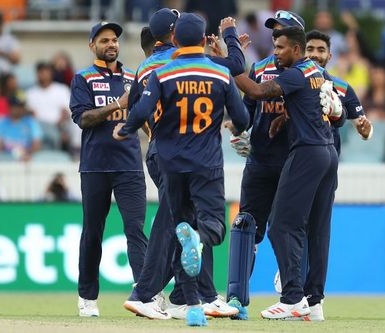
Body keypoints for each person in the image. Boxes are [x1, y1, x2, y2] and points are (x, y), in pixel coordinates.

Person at [114, 13, 249, 327]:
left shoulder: (152, 69)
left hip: (166, 152)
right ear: (175, 36)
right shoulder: (208, 69)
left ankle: (185, 297)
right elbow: (236, 72)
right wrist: (229, 37)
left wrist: (131, 129)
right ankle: (153, 294)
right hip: (202, 157)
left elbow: (138, 106)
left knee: (179, 222)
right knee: (186, 224)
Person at [234, 26, 338, 320]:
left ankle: (292, 297)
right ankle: (313, 303)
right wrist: (285, 116)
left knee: (280, 225)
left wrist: (230, 60)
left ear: (296, 49)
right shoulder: (315, 73)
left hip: (307, 151)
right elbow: (317, 106)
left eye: (279, 47)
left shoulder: (294, 73)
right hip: (327, 151)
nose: (275, 52)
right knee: (317, 230)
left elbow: (255, 90)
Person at [69, 22, 148, 318]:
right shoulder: (83, 78)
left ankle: (145, 293)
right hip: (95, 166)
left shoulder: (133, 77)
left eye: (114, 40)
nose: (112, 44)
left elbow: (145, 117)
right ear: (93, 45)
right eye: (104, 40)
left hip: (129, 165)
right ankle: (87, 297)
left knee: (135, 230)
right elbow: (83, 119)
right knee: (93, 233)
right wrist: (118, 104)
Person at [305, 29, 372, 153]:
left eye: (321, 50)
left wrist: (366, 132)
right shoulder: (291, 83)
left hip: (329, 160)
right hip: (298, 158)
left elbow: (362, 125)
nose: (315, 54)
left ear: (329, 56)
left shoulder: (343, 87)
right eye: (310, 49)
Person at [26, 61, 73, 151]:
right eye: (40, 72)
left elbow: (66, 112)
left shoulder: (62, 90)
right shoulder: (30, 93)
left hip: (58, 128)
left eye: (45, 72)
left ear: (51, 73)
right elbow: (30, 115)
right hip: (37, 129)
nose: (43, 75)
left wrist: (57, 126)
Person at [0, 95, 41, 160]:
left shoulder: (31, 123)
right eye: (16, 106)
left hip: (27, 158)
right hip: (5, 159)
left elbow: (36, 145)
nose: (19, 109)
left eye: (21, 106)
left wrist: (25, 153)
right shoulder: (1, 123)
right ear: (10, 107)